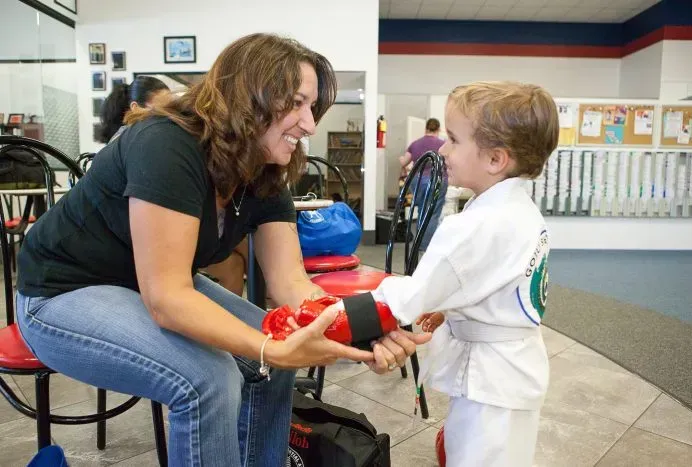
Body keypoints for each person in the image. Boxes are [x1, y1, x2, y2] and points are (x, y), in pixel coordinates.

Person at [15, 33, 429, 467]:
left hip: (144, 283)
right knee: (209, 380)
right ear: (249, 96)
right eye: (297, 103)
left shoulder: (264, 169)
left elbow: (291, 284)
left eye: (312, 108)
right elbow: (168, 299)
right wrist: (270, 349)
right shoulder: (166, 144)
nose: (310, 124)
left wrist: (368, 329)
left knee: (274, 354)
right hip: (61, 293)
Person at [326, 81, 558, 466]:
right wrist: (452, 309)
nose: (443, 150)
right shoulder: (520, 211)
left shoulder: (474, 225)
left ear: (495, 159)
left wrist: (332, 317)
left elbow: (408, 298)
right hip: (514, 372)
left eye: (453, 139)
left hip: (490, 386)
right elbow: (494, 284)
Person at [399, 117, 448, 251]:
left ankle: (419, 243)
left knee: (422, 210)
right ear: (438, 129)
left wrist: (401, 159)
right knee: (432, 213)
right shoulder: (443, 145)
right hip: (437, 180)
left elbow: (404, 162)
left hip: (418, 180)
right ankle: (425, 246)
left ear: (426, 129)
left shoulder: (415, 144)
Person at [97, 75, 170, 143]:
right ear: (135, 108)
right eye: (161, 110)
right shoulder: (128, 141)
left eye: (171, 107)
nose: (170, 114)